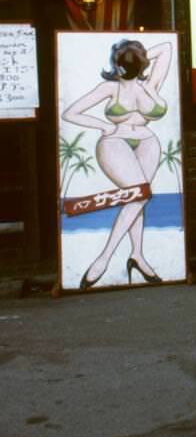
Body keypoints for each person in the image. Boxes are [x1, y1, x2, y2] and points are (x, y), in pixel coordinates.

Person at [62, 37, 174, 289]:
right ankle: (104, 258)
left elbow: (166, 48)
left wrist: (134, 55)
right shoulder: (109, 88)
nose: (127, 66)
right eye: (125, 62)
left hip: (148, 141)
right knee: (139, 195)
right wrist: (103, 125)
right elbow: (69, 112)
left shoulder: (151, 84)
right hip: (115, 142)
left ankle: (137, 255)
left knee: (138, 198)